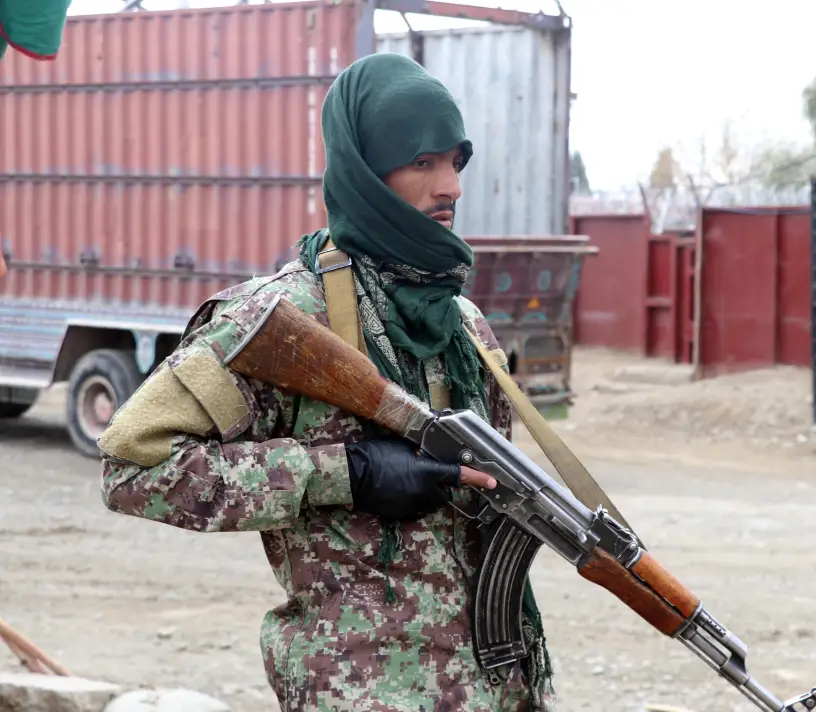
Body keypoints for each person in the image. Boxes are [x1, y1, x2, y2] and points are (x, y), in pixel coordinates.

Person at [96, 53, 555, 712]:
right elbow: (130, 464)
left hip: (493, 688)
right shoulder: (282, 318)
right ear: (365, 170)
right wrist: (346, 474)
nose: (449, 185)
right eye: (422, 162)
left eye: (456, 161)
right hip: (361, 692)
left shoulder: (464, 326)